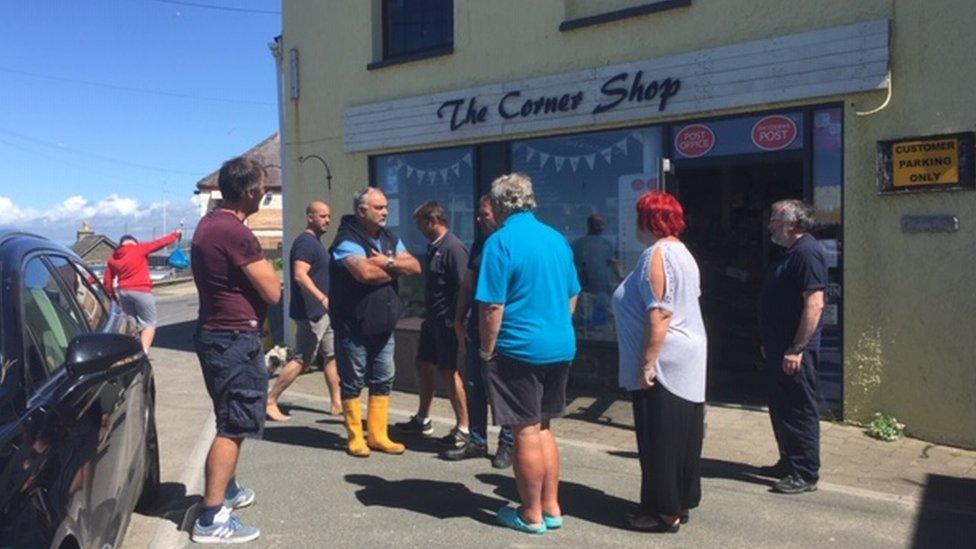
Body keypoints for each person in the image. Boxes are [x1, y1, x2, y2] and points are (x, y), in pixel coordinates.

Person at [476, 173, 580, 534]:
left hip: (519, 348)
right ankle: (551, 507)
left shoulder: (500, 242)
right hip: (560, 345)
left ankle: (531, 513)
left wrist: (486, 350)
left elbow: (492, 307)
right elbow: (572, 296)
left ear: (501, 204)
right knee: (545, 426)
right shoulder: (556, 239)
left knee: (524, 429)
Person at [190, 156, 281, 544]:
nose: (265, 194)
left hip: (215, 334)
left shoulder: (209, 224)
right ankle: (212, 518)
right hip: (233, 340)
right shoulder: (236, 233)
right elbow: (273, 291)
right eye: (263, 188)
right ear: (248, 192)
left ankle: (224, 489)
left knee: (228, 416)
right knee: (234, 425)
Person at [612, 191, 707, 532]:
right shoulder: (682, 252)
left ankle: (663, 512)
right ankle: (678, 502)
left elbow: (661, 312)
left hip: (666, 360)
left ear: (648, 220)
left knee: (659, 437)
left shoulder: (658, 253)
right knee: (681, 434)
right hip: (687, 357)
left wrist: (647, 363)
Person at [329, 187, 421, 457]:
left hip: (384, 323)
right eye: (379, 207)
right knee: (353, 380)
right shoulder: (346, 238)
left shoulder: (389, 237)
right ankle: (356, 436)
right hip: (352, 324)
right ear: (362, 211)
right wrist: (395, 269)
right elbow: (365, 274)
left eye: (386, 207)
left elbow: (415, 267)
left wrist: (388, 261)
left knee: (384, 378)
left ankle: (379, 435)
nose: (385, 211)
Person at [758, 199, 827, 495]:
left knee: (799, 409)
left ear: (792, 223)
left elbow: (815, 304)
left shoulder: (807, 252)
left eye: (775, 219)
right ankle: (788, 460)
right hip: (778, 347)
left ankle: (805, 472)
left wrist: (797, 348)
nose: (770, 224)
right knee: (782, 407)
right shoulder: (790, 252)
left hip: (794, 352)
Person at [442, 194, 514, 467]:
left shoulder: (508, 243)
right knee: (474, 385)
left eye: (484, 214)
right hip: (476, 326)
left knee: (503, 389)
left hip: (504, 330)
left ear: (498, 213)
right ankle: (476, 440)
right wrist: (459, 318)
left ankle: (507, 443)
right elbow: (468, 285)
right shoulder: (480, 244)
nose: (479, 219)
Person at [395, 201, 471, 447]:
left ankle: (464, 427)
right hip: (432, 320)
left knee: (449, 371)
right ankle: (423, 418)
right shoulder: (433, 248)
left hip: (447, 322)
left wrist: (455, 320)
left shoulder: (453, 248)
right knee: (423, 364)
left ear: (432, 221)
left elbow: (464, 287)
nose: (418, 228)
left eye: (420, 223)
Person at [266, 200, 343, 422]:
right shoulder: (305, 243)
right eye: (322, 216)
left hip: (323, 312)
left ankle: (336, 404)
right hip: (312, 313)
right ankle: (270, 400)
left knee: (330, 356)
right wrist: (321, 298)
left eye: (328, 216)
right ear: (310, 217)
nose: (327, 220)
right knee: (302, 360)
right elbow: (300, 275)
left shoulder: (316, 243)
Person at [103, 229, 181, 350]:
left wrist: (113, 296)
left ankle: (130, 351)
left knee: (131, 326)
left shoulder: (112, 259)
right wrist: (175, 235)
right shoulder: (139, 248)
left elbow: (108, 282)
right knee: (149, 324)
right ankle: (143, 353)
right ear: (134, 242)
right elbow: (159, 243)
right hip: (141, 290)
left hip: (123, 292)